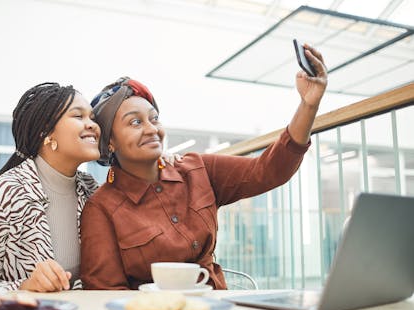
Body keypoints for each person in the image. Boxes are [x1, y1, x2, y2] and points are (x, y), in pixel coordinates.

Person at [80, 45, 328, 290]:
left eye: (154, 119)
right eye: (135, 122)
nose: (152, 129)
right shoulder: (102, 209)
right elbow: (106, 293)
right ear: (110, 142)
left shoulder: (197, 169)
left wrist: (309, 105)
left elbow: (269, 170)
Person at [0, 82, 101, 292]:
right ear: (46, 131)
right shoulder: (0, 196)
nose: (92, 125)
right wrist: (26, 286)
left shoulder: (93, 190)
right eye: (78, 116)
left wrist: (160, 164)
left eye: (93, 118)